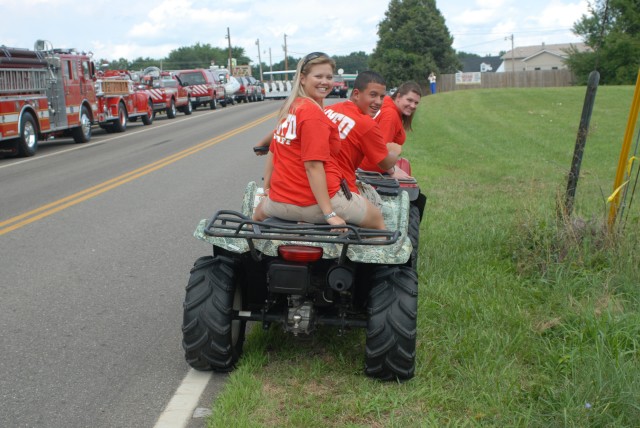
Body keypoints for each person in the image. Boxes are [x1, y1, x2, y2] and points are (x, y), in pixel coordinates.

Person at [253, 52, 386, 230]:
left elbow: (272, 150)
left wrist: (267, 189)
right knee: (377, 219)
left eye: (329, 77)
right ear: (302, 78)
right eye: (318, 76)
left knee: (255, 217)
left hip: (279, 201)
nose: (325, 82)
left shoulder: (291, 109)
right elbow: (313, 166)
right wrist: (329, 214)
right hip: (315, 202)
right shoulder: (313, 114)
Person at [323, 70, 402, 194]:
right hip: (340, 187)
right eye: (373, 95)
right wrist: (395, 151)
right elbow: (385, 164)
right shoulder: (366, 124)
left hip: (316, 181)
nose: (379, 102)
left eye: (382, 97)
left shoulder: (329, 109)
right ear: (356, 94)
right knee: (379, 212)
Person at [358, 81, 422, 175]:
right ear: (399, 97)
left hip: (367, 166)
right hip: (370, 171)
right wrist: (393, 171)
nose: (412, 105)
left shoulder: (387, 105)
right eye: (409, 100)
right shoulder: (390, 115)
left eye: (416, 103)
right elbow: (380, 150)